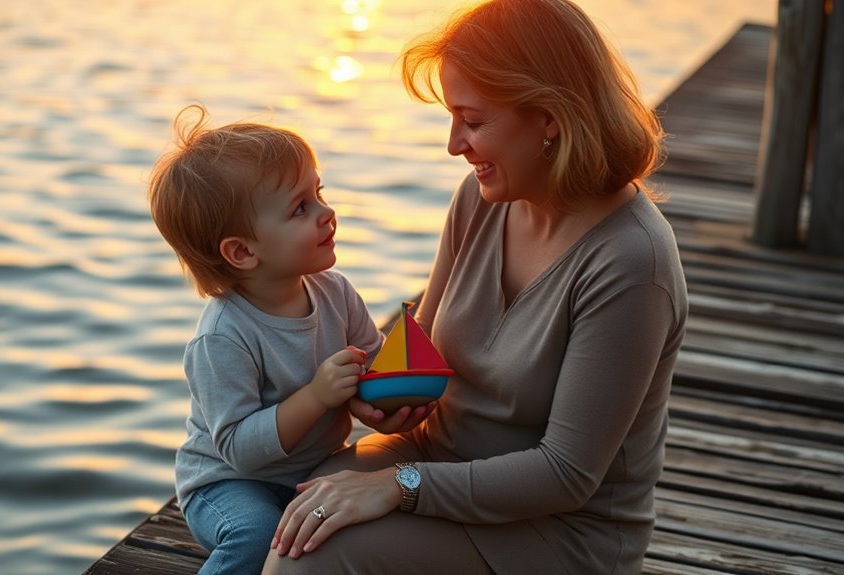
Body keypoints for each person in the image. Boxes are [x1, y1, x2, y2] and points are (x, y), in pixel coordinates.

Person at [263, 0, 688, 573]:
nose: (454, 144)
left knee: (312, 559)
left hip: (555, 532)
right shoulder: (483, 199)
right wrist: (379, 394)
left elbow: (566, 475)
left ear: (549, 118)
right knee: (287, 510)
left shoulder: (632, 263)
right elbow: (422, 347)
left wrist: (398, 485)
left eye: (473, 120)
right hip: (431, 459)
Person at [147, 104, 386, 575]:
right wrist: (318, 395)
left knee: (384, 498)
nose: (327, 212)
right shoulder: (223, 337)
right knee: (256, 535)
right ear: (242, 252)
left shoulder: (335, 291)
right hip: (229, 484)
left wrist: (389, 400)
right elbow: (238, 447)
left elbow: (374, 363)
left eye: (319, 193)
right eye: (301, 207)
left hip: (314, 468)